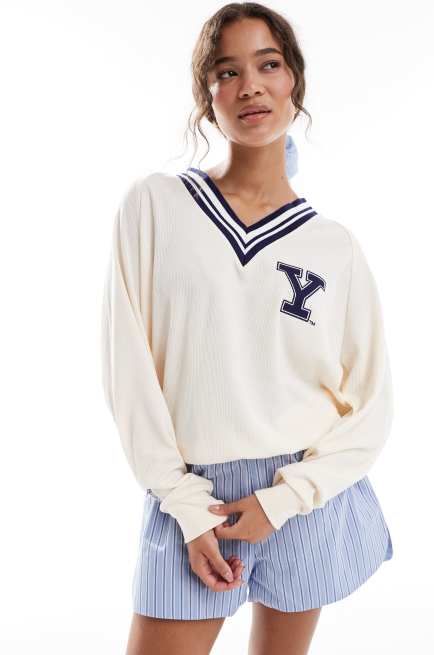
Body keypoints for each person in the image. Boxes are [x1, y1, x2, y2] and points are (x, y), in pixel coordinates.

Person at [101, 3, 394, 654]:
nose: (250, 86)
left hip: (304, 495)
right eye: (227, 71)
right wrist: (185, 505)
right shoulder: (155, 205)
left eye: (268, 64)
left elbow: (370, 405)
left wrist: (285, 500)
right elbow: (129, 370)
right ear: (206, 97)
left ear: (294, 82)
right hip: (192, 491)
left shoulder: (334, 246)